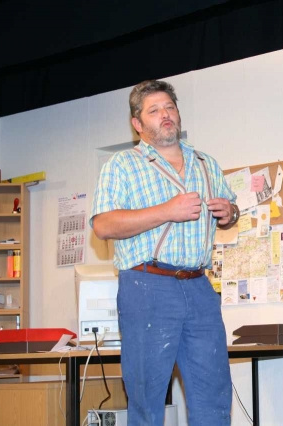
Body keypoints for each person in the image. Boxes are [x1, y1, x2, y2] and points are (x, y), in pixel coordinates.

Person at [91, 80, 239, 426]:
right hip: (147, 286)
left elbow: (231, 211)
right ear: (137, 124)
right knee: (147, 399)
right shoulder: (122, 164)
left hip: (200, 287)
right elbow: (103, 225)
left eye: (169, 107)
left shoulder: (206, 163)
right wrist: (166, 211)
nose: (165, 114)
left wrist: (230, 213)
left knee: (214, 396)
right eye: (154, 110)